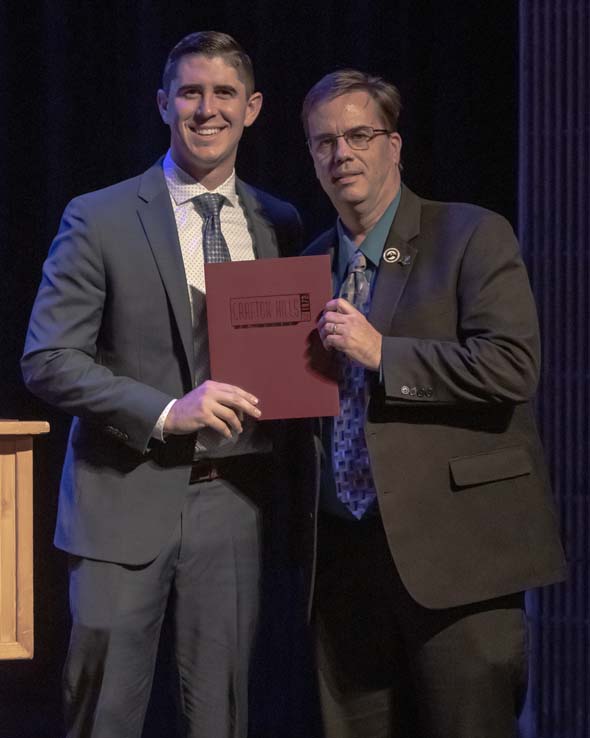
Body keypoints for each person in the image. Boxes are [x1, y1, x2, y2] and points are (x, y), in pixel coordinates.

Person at [21, 31, 302, 738]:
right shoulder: (100, 216)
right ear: (162, 103)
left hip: (232, 504)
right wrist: (167, 411)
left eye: (224, 94)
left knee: (222, 717)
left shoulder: (281, 222)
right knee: (104, 716)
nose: (206, 110)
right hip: (119, 498)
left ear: (254, 108)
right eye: (190, 92)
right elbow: (48, 357)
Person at [300, 69, 567, 738]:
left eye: (359, 135)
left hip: (455, 559)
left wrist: (383, 353)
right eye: (324, 141)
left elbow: (512, 366)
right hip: (342, 565)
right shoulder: (306, 266)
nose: (342, 154)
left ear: (395, 145)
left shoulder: (468, 235)